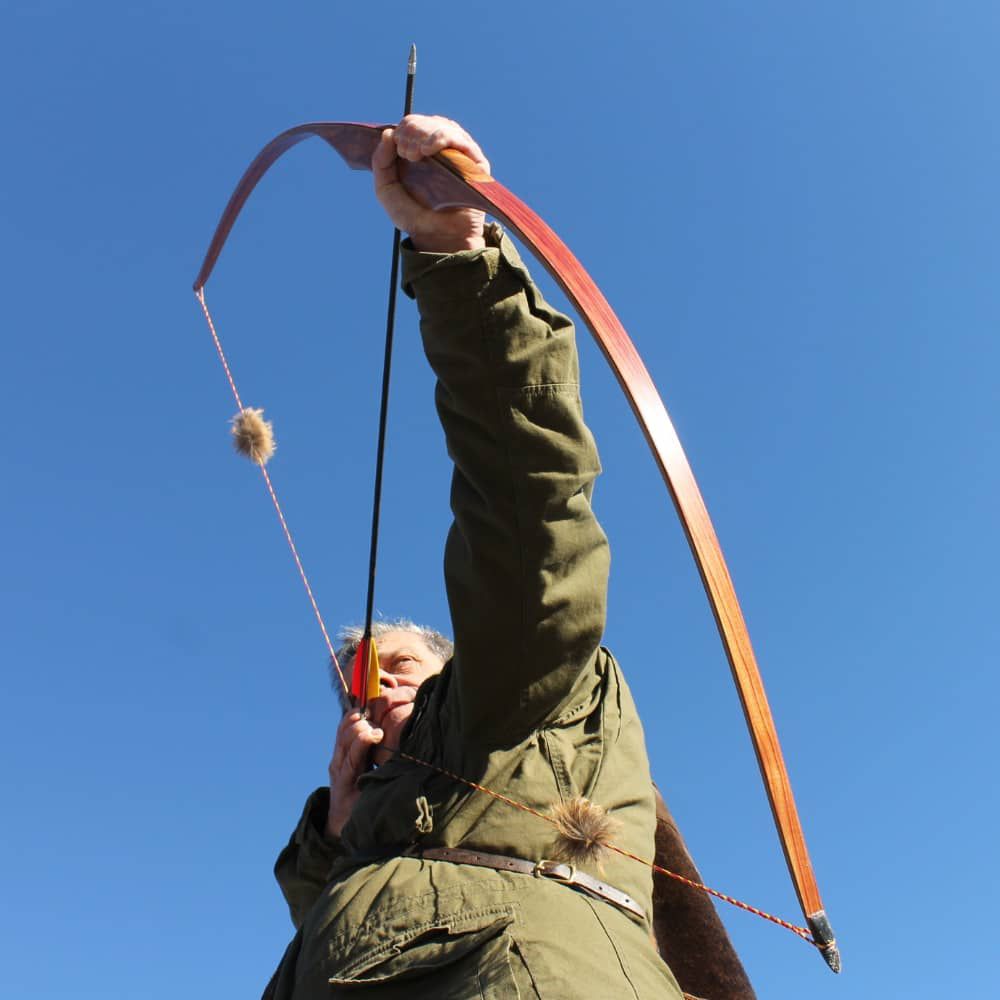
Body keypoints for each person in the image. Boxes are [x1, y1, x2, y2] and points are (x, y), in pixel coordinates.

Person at [262, 116, 745, 1000]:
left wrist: (454, 253)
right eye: (358, 682)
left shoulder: (511, 693)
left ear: (454, 661)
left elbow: (526, 503)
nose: (371, 687)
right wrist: (335, 828)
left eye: (397, 664)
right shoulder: (365, 828)